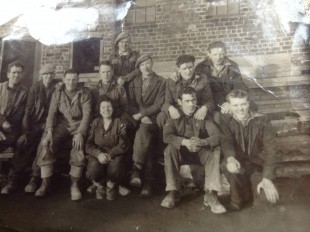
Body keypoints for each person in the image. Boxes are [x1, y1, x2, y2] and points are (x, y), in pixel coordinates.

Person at [160, 86, 226, 214]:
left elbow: (217, 136)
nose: (191, 104)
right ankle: (173, 191)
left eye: (193, 100)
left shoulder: (202, 114)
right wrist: (185, 142)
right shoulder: (174, 115)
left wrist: (202, 142)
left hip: (199, 151)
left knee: (215, 150)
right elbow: (166, 136)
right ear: (180, 102)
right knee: (169, 149)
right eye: (187, 101)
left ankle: (211, 194)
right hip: (182, 152)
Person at [33, 69, 92, 201]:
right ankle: (45, 183)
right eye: (68, 80)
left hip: (78, 124)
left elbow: (87, 115)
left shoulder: (85, 93)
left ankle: (74, 184)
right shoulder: (58, 92)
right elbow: (52, 114)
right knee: (47, 142)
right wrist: (48, 131)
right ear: (64, 80)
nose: (71, 83)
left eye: (74, 80)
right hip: (63, 124)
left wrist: (80, 133)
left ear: (78, 80)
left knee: (78, 145)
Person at [2, 64, 60, 195]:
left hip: (51, 124)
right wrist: (25, 132)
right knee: (24, 143)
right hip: (35, 123)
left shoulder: (58, 87)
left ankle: (34, 178)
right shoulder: (35, 89)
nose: (48, 77)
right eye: (45, 74)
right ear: (41, 75)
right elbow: (28, 112)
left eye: (51, 74)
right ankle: (13, 178)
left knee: (44, 144)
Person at [220, 89, 279, 211]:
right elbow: (226, 141)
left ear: (249, 103)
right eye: (235, 105)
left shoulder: (262, 120)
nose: (240, 109)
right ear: (230, 106)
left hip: (257, 164)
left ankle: (250, 191)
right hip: (238, 163)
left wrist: (267, 178)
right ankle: (237, 200)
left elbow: (271, 150)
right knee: (227, 165)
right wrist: (230, 158)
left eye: (243, 104)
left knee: (266, 203)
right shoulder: (226, 120)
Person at [89, 60, 131, 196]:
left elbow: (125, 108)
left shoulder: (119, 87)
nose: (106, 74)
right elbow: (92, 109)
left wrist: (122, 124)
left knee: (124, 144)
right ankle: (97, 183)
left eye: (108, 71)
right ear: (99, 73)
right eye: (103, 72)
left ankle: (117, 182)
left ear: (112, 72)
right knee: (94, 156)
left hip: (117, 123)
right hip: (99, 123)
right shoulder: (95, 89)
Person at [128, 54, 166, 197]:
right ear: (139, 67)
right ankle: (146, 183)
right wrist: (139, 116)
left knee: (144, 134)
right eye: (143, 65)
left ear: (152, 64)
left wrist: (143, 115)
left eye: (148, 63)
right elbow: (130, 103)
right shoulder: (134, 82)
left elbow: (159, 104)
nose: (146, 67)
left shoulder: (161, 81)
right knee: (145, 143)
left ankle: (137, 169)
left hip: (153, 119)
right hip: (137, 118)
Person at [85, 96, 129, 200]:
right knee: (93, 169)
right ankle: (100, 185)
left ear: (113, 108)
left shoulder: (120, 123)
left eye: (109, 107)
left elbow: (123, 145)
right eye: (103, 107)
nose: (106, 110)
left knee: (116, 168)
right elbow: (88, 144)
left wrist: (110, 154)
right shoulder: (95, 122)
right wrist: (98, 154)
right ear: (99, 110)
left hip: (115, 155)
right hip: (98, 155)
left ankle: (110, 185)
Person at [195, 41, 252, 117]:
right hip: (212, 100)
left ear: (225, 53)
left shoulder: (232, 66)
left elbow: (239, 85)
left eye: (221, 54)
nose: (218, 57)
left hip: (231, 99)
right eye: (214, 54)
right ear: (208, 54)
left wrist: (231, 101)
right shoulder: (201, 67)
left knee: (250, 108)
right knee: (222, 115)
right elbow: (202, 91)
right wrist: (222, 103)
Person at [157, 54, 214, 128]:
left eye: (190, 67)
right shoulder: (171, 81)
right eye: (184, 69)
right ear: (178, 69)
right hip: (179, 112)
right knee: (161, 116)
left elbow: (210, 101)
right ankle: (163, 139)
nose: (188, 71)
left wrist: (205, 108)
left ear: (194, 66)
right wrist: (170, 108)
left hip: (196, 110)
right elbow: (166, 102)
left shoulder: (202, 79)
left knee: (216, 116)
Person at [0, 62, 28, 191]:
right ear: (8, 74)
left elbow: (22, 113)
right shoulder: (0, 88)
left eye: (19, 72)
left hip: (13, 127)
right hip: (1, 124)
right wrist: (2, 121)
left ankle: (12, 179)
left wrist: (10, 126)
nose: (16, 75)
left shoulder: (24, 92)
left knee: (19, 143)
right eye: (13, 72)